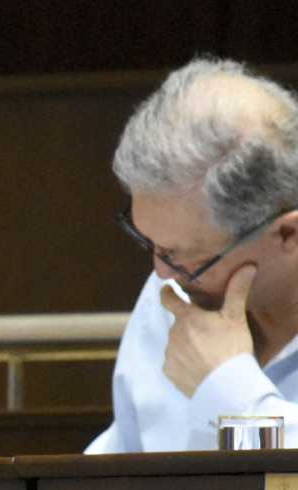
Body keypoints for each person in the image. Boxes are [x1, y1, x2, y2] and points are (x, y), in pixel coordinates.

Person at [90, 57, 298, 454]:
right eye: (150, 243)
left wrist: (227, 389)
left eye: (185, 257)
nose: (162, 274)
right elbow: (119, 470)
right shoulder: (170, 298)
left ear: (287, 234)